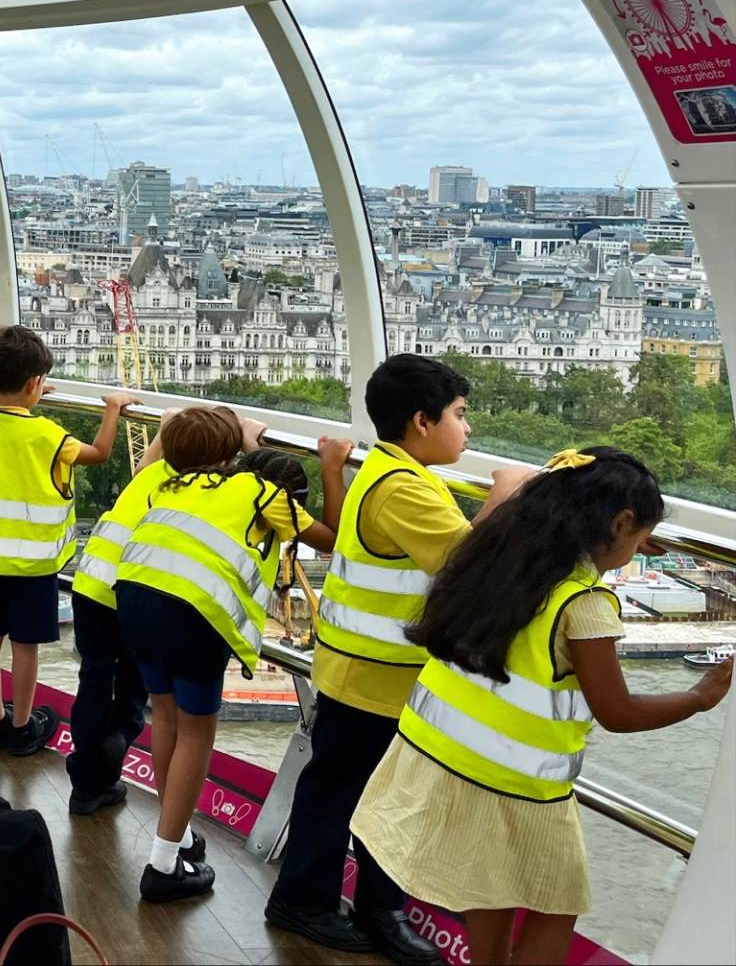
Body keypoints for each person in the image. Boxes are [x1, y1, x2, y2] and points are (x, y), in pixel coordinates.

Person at [353, 448, 732, 966]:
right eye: (640, 537)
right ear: (619, 524)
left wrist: (622, 547)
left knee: (492, 888)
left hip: (444, 762)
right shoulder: (584, 604)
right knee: (556, 907)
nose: (643, 546)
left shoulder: (498, 561)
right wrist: (698, 698)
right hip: (520, 789)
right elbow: (617, 712)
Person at [267, 355, 498, 964]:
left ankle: (346, 901)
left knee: (346, 791)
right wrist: (504, 497)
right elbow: (473, 565)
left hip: (360, 670)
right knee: (354, 794)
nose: (467, 428)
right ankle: (325, 903)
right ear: (422, 421)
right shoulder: (404, 489)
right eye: (460, 414)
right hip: (375, 678)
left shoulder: (386, 471)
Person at [114, 408, 337, 903]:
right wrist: (331, 465)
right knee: (197, 732)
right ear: (230, 456)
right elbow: (333, 538)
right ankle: (163, 864)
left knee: (166, 718)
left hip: (134, 595)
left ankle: (175, 834)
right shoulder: (261, 494)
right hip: (193, 613)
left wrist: (243, 449)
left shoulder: (168, 488)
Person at [0, 324, 130, 757]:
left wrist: (27, 393)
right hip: (35, 565)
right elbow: (100, 453)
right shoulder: (51, 437)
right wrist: (112, 408)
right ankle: (22, 727)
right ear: (35, 384)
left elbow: (7, 422)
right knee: (25, 647)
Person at [67, 404, 236, 813]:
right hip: (131, 592)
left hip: (90, 585)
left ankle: (85, 785)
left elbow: (147, 460)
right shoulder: (206, 492)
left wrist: (164, 429)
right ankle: (116, 746)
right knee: (132, 690)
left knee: (92, 682)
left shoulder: (153, 475)